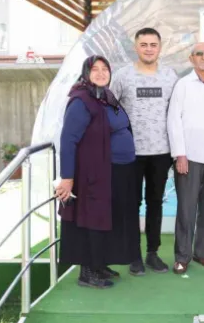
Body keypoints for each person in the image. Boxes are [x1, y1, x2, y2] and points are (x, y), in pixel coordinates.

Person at [55, 55, 141, 289]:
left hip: (116, 171)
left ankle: (99, 263)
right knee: (90, 219)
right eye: (95, 69)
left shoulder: (106, 97)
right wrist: (67, 178)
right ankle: (87, 273)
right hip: (93, 175)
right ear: (86, 73)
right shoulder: (81, 101)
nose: (101, 73)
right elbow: (68, 140)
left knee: (107, 218)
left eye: (105, 69)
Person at [111, 28, 179, 275]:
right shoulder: (122, 76)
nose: (149, 49)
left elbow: (177, 112)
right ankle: (133, 255)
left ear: (159, 48)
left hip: (161, 152)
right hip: (130, 153)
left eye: (153, 44)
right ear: (136, 47)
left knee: (155, 202)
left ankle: (152, 252)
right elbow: (110, 108)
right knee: (131, 204)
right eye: (144, 44)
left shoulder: (170, 76)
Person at [167, 42, 204, 274]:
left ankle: (203, 252)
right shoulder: (182, 85)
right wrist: (179, 154)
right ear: (191, 58)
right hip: (189, 155)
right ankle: (182, 256)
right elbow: (174, 120)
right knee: (186, 207)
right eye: (199, 54)